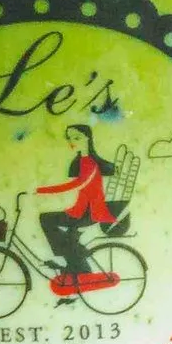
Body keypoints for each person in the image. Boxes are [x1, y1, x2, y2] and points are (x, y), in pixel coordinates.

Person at [35, 120, 123, 288]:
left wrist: (41, 191)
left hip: (89, 212)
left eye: (77, 137)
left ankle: (76, 259)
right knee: (56, 226)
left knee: (46, 219)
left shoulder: (89, 162)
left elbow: (76, 185)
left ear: (88, 138)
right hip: (80, 210)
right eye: (69, 138)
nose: (72, 142)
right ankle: (74, 260)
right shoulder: (80, 162)